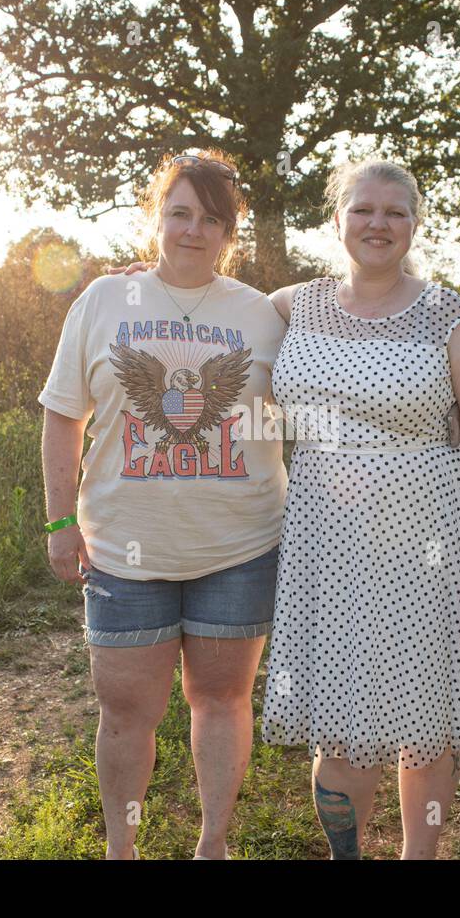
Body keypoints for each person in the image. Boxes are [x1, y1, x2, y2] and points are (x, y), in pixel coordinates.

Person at [259, 158, 460, 860]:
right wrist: (144, 279)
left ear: (415, 225)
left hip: (431, 537)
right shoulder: (289, 306)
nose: (377, 224)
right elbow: (205, 317)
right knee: (341, 718)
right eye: (363, 210)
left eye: (395, 212)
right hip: (328, 539)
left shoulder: (448, 316)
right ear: (338, 220)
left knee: (424, 718)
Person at [39, 150, 288, 860]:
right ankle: (124, 850)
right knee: (127, 713)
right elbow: (63, 417)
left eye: (212, 219)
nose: (193, 231)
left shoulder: (263, 314)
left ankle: (214, 845)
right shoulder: (103, 302)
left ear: (230, 232)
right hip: (123, 550)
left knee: (221, 701)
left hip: (238, 549)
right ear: (156, 217)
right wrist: (60, 522)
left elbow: (344, 347)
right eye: (179, 213)